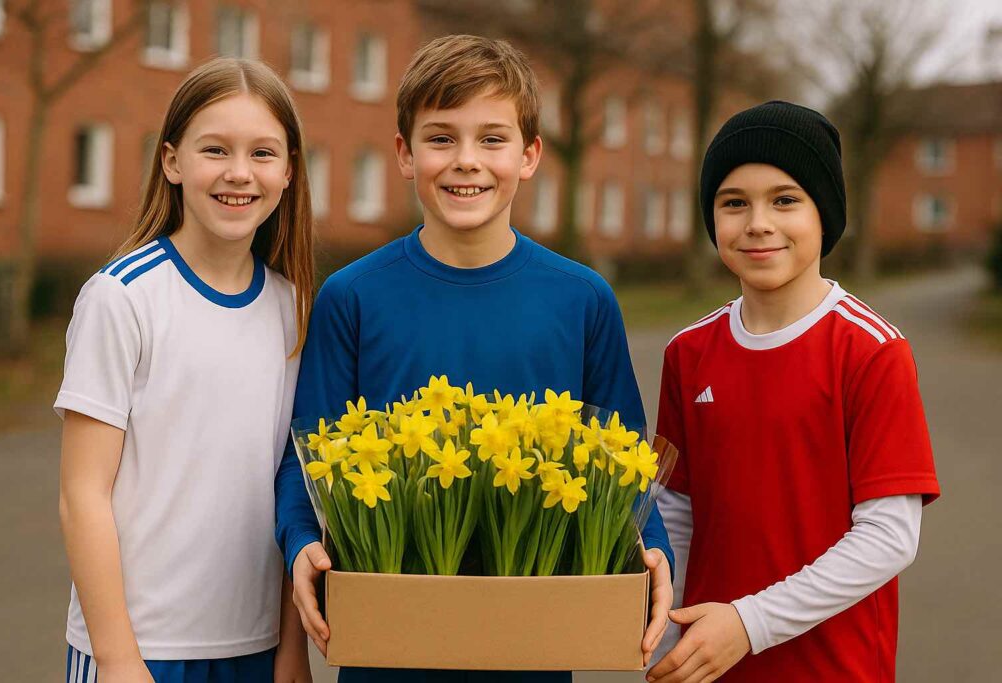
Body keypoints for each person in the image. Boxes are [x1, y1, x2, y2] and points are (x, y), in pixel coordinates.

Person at [274, 35, 675, 682]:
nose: (466, 161)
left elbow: (622, 465)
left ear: (530, 155)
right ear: (404, 154)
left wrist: (651, 548)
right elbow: (305, 462)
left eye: (492, 139)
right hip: (388, 654)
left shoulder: (582, 300)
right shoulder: (351, 298)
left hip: (532, 654)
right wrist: (299, 544)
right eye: (441, 138)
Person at [648, 101, 940, 683]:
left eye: (785, 200)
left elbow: (889, 538)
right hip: (709, 663)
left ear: (824, 213)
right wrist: (665, 648)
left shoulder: (872, 350)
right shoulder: (686, 352)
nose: (758, 222)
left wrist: (749, 623)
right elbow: (674, 512)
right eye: (734, 202)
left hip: (834, 667)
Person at [56, 58, 314, 683]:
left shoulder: (293, 309)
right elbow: (81, 495)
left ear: (286, 172)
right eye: (215, 150)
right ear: (172, 162)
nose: (238, 173)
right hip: (140, 648)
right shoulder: (121, 299)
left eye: (262, 153)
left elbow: (291, 482)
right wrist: (118, 659)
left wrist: (289, 650)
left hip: (252, 647)